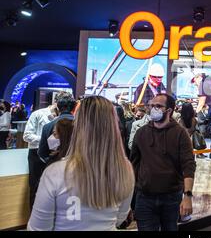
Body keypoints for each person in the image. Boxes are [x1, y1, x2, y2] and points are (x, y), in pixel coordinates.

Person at [27, 96, 135, 230]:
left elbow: (38, 227)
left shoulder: (56, 172)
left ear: (78, 125)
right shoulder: (124, 168)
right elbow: (120, 218)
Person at [131, 93, 196, 231]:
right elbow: (134, 165)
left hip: (171, 198)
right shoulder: (141, 133)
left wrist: (188, 196)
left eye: (158, 106)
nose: (153, 109)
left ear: (169, 111)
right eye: (152, 106)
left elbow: (188, 165)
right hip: (144, 197)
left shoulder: (180, 134)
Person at [23, 92, 64, 208]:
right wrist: (45, 140)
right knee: (35, 187)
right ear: (56, 103)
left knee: (53, 188)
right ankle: (33, 220)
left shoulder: (61, 118)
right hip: (36, 154)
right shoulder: (38, 114)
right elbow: (26, 135)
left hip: (54, 154)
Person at [38, 93, 76, 164]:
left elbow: (42, 153)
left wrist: (52, 163)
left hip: (55, 167)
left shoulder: (48, 126)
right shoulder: (81, 125)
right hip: (78, 167)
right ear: (74, 108)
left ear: (57, 108)